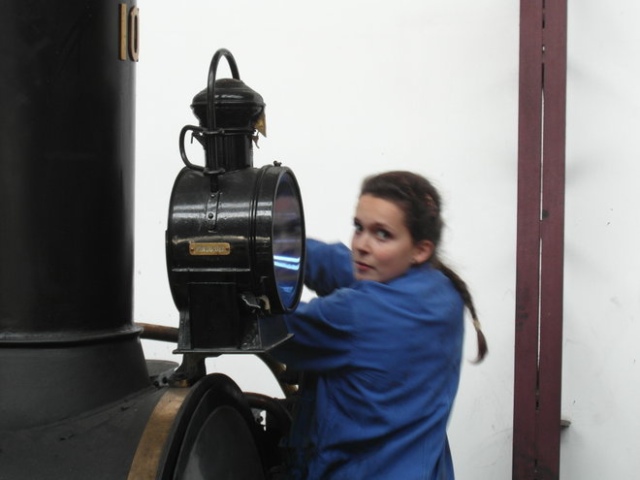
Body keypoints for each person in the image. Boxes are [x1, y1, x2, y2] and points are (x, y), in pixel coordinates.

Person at [272, 170, 487, 479]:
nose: (362, 245)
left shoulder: (359, 315)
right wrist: (276, 245)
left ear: (420, 249)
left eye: (382, 234)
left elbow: (271, 327)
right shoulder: (441, 292)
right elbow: (338, 263)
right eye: (359, 227)